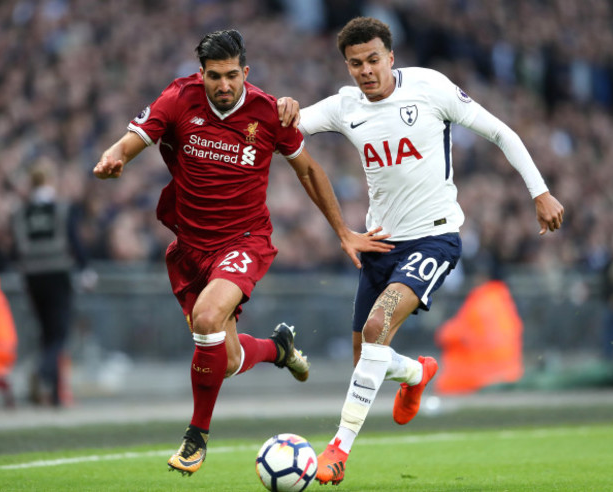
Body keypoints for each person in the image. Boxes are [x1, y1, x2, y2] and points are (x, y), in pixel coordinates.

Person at [93, 29, 392, 477]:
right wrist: (114, 156)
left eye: (232, 75)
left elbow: (309, 171)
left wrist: (343, 231)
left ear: (245, 73)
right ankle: (278, 348)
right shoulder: (178, 99)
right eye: (215, 76)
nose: (224, 85)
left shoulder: (270, 113)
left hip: (244, 242)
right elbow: (134, 138)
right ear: (202, 74)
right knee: (226, 359)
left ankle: (196, 437)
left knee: (208, 319)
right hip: (191, 249)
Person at [293, 17, 565, 485]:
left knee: (379, 326)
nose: (365, 71)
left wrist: (539, 192)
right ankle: (417, 374)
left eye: (373, 59)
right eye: (355, 64)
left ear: (391, 57)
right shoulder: (345, 106)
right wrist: (282, 105)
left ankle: (339, 447)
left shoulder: (429, 88)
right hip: (380, 244)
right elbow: (290, 126)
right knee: (366, 355)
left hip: (435, 238)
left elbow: (502, 132)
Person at [11, 162, 95, 407]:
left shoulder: (20, 212)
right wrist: (86, 269)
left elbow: (16, 248)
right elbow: (74, 241)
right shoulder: (62, 209)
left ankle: (55, 395)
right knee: (59, 333)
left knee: (46, 333)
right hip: (58, 274)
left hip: (32, 276)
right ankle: (44, 370)